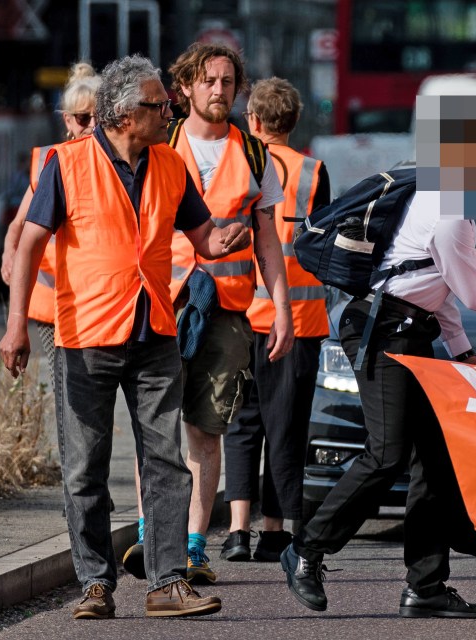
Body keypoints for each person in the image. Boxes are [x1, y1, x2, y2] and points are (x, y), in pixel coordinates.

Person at [0, 54, 242, 619]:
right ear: (126, 113)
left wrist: (226, 237)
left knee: (165, 461)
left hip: (154, 330)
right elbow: (30, 245)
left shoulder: (171, 166)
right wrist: (16, 326)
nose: (170, 112)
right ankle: (95, 584)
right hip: (85, 334)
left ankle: (166, 582)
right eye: (160, 105)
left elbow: (202, 238)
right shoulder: (67, 164)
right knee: (85, 466)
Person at [280, 110, 476, 617]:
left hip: (404, 327)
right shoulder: (451, 214)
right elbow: (475, 290)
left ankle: (425, 586)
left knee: (433, 458)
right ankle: (307, 549)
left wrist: (462, 351)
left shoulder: (444, 202)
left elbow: (435, 290)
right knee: (386, 455)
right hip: (383, 331)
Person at [158, 42, 292, 585]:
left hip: (229, 315)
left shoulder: (255, 155)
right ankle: (151, 536)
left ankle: (192, 547)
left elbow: (269, 244)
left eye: (228, 82)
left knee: (206, 432)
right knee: (156, 430)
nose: (219, 90)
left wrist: (280, 310)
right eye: (209, 80)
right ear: (186, 85)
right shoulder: (160, 145)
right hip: (163, 307)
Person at [219, 77, 331, 563]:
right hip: (299, 319)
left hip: (242, 314)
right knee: (286, 427)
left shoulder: (239, 164)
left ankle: (237, 531)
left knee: (241, 423)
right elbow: (324, 246)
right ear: (293, 121)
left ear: (255, 122)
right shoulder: (313, 172)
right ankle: (274, 531)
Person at [2, 61, 100, 380]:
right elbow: (19, 225)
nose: (93, 126)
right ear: (68, 121)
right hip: (54, 303)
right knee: (67, 389)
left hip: (97, 301)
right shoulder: (51, 161)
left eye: (100, 117)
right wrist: (8, 253)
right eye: (84, 119)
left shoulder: (116, 164)